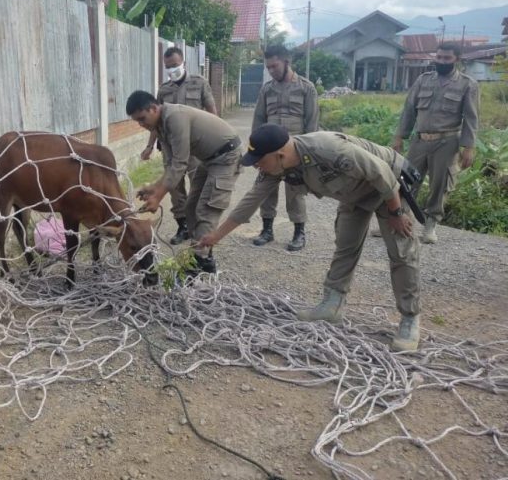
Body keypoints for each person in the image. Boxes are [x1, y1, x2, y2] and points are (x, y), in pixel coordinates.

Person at [199, 124, 422, 352]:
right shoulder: (278, 167)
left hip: (390, 187)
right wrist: (216, 236)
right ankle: (332, 305)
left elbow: (381, 173)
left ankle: (410, 318)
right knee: (346, 245)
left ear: (280, 155)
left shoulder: (329, 149)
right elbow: (251, 200)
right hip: (355, 193)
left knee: (401, 251)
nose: (256, 165)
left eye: (258, 159)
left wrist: (396, 213)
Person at [127, 90, 240, 274]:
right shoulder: (160, 126)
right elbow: (171, 165)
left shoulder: (175, 117)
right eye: (137, 121)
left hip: (226, 156)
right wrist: (154, 187)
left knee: (206, 209)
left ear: (154, 108)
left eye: (142, 118)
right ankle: (205, 257)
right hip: (208, 159)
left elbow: (180, 163)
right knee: (190, 207)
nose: (141, 124)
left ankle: (198, 263)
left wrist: (158, 197)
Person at [393, 42, 479, 244]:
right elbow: (409, 110)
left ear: (456, 59)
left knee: (440, 185)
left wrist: (469, 147)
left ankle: (430, 225)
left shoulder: (467, 84)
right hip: (420, 140)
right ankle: (400, 219)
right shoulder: (424, 80)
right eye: (439, 57)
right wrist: (399, 137)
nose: (441, 61)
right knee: (405, 179)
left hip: (447, 141)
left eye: (447, 58)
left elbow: (471, 118)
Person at [140, 46, 217, 245]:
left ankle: (199, 226)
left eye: (174, 65)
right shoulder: (164, 90)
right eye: (168, 67)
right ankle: (182, 226)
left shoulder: (199, 83)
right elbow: (156, 121)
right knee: (174, 187)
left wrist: (213, 141)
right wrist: (149, 146)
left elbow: (211, 112)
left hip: (196, 148)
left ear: (184, 63)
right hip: (170, 148)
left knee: (198, 185)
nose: (172, 69)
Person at [251, 44, 319, 251]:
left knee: (295, 192)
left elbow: (312, 123)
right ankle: (267, 230)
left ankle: (299, 233)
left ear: (286, 62)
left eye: (274, 66)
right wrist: (255, 152)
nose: (271, 71)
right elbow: (258, 120)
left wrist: (308, 154)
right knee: (265, 190)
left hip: (295, 151)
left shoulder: (307, 88)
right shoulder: (266, 89)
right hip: (270, 152)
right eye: (268, 67)